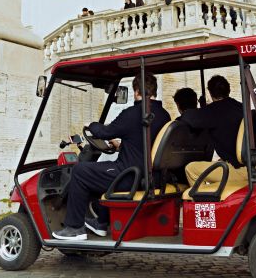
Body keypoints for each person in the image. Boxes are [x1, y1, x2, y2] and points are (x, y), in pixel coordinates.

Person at [52, 73, 171, 240]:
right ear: (155, 91)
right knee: (99, 172)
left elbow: (105, 132)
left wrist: (91, 125)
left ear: (136, 91)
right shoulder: (165, 115)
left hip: (128, 174)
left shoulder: (133, 113)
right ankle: (101, 222)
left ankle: (74, 228)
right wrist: (121, 145)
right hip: (147, 174)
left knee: (80, 170)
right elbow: (144, 143)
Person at [181, 75, 245, 186]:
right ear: (228, 90)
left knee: (190, 169)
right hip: (252, 167)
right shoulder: (241, 107)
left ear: (210, 93)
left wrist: (202, 108)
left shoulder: (212, 111)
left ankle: (202, 201)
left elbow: (188, 116)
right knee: (219, 162)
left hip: (237, 170)